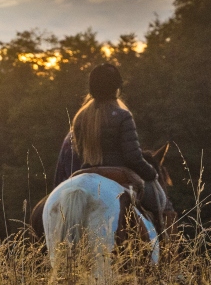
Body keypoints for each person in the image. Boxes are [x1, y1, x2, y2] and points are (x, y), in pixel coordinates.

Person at [53, 63, 161, 213]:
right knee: (161, 202)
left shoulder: (80, 117)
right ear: (117, 88)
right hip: (118, 173)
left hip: (85, 175)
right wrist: (151, 173)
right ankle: (165, 234)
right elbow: (132, 157)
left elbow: (80, 153)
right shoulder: (123, 116)